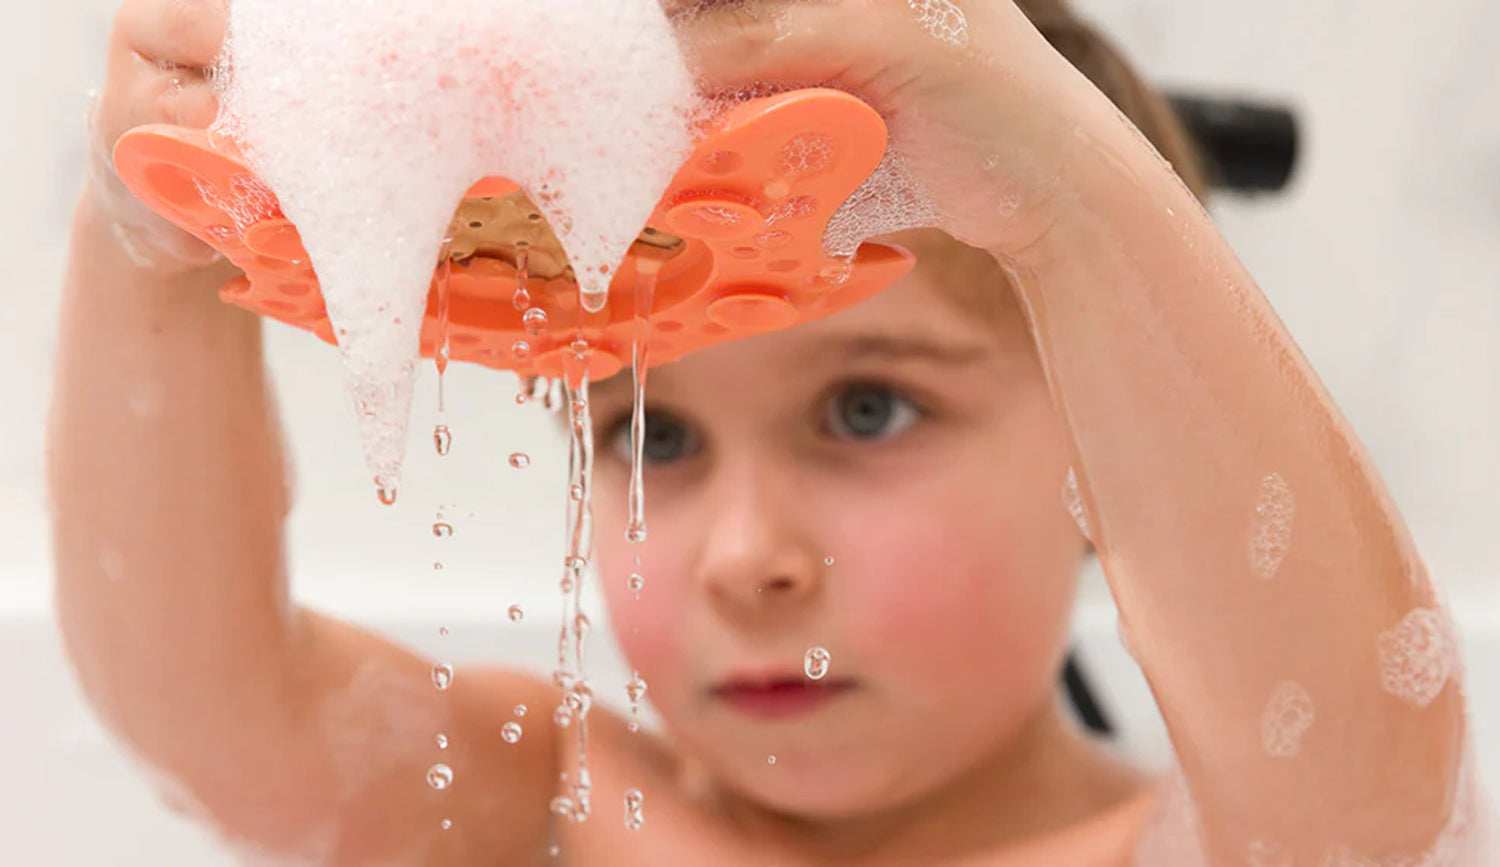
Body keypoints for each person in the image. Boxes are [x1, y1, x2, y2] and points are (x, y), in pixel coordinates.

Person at [50, 0, 1492, 863]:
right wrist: (144, 243)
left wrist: (1068, 197)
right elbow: (211, 709)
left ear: (1109, 454)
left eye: (868, 408)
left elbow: (1376, 826)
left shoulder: (1175, 853)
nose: (749, 558)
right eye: (652, 441)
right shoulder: (559, 806)